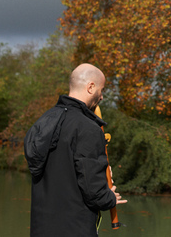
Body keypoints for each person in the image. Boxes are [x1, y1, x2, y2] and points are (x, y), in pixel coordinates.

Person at [24, 63, 127, 236]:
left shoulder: (43, 122)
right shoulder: (88, 128)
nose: (101, 97)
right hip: (74, 229)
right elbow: (93, 190)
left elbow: (62, 171)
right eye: (101, 90)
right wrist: (109, 197)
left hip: (40, 228)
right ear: (90, 87)